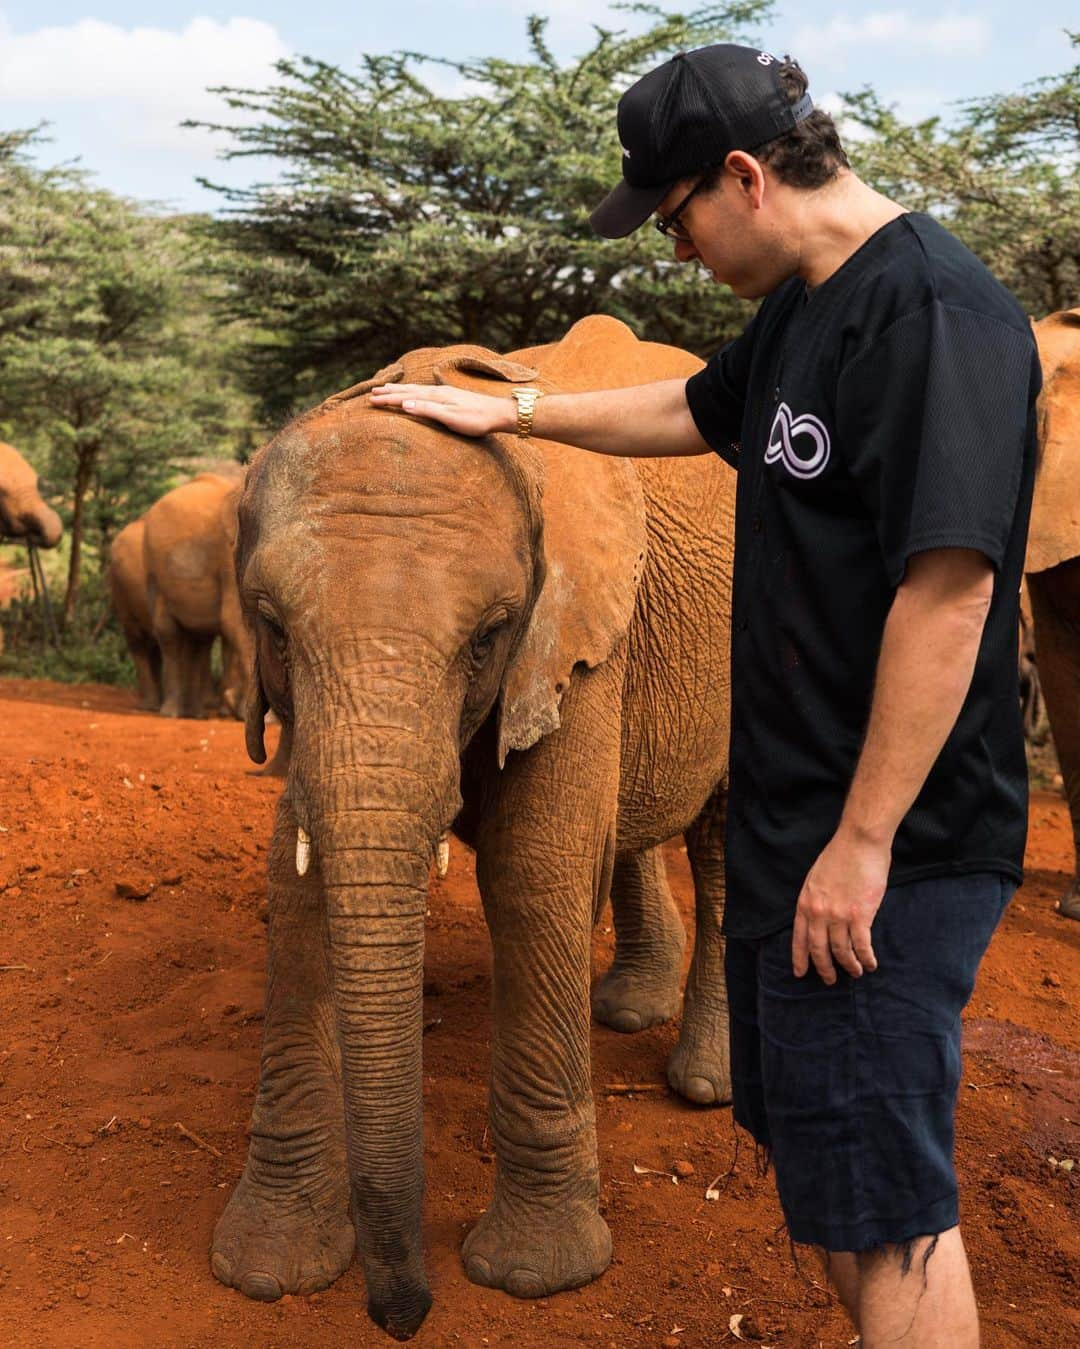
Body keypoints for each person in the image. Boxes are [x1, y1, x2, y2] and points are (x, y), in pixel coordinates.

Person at [370, 43, 1042, 1348]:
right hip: (797, 821)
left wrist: (862, 846)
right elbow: (695, 408)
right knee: (834, 1176)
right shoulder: (807, 307)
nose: (673, 250)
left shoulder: (937, 318)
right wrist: (513, 415)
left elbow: (950, 595)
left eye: (675, 215)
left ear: (743, 175)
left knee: (891, 1202)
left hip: (887, 847)